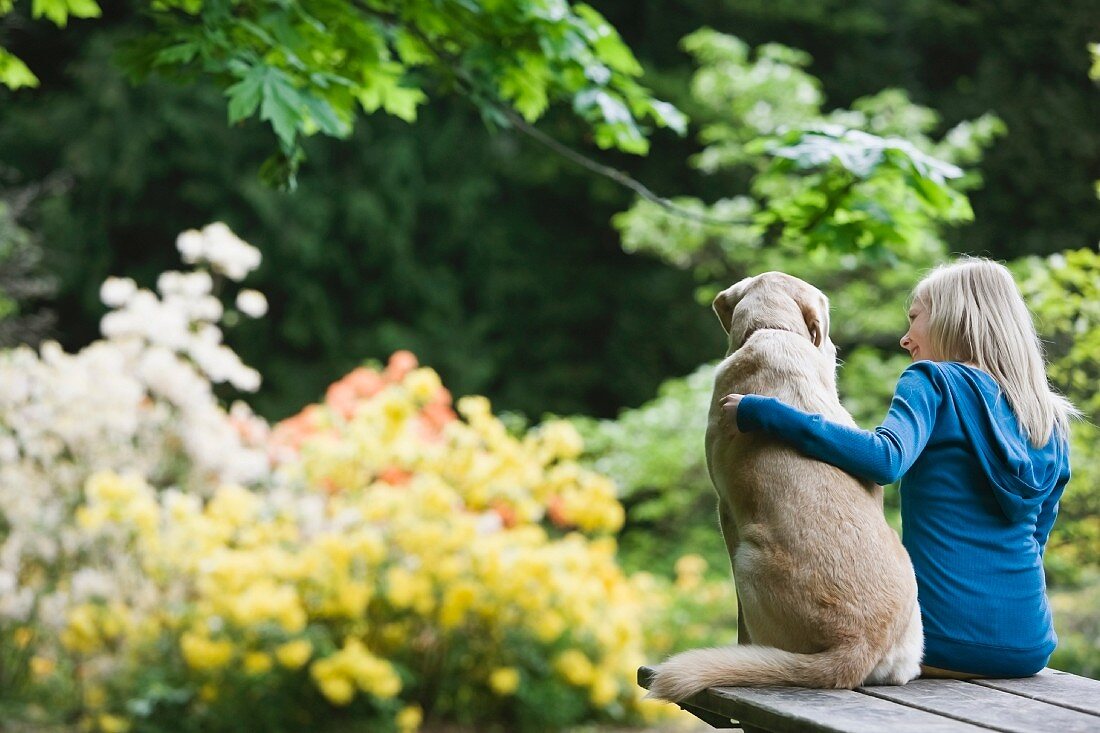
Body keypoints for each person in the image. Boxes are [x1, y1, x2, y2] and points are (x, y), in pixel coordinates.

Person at [720, 257, 1075, 679]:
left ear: (953, 318)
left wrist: (771, 414)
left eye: (914, 318)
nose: (907, 339)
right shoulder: (1049, 416)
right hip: (1031, 646)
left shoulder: (934, 381)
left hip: (944, 643)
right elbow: (1038, 537)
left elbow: (885, 459)